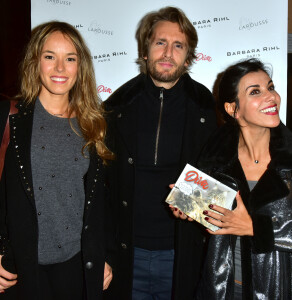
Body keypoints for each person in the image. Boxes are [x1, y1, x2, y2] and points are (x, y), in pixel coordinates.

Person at [103, 6, 217, 300]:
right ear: (145, 50)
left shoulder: (209, 109)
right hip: (126, 254)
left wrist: (197, 206)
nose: (168, 53)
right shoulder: (115, 108)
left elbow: (224, 176)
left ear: (189, 55)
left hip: (184, 255)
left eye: (178, 45)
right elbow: (97, 186)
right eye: (160, 43)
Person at [0, 21, 115, 300]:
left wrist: (103, 255)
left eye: (70, 59)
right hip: (20, 269)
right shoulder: (10, 118)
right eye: (50, 56)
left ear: (81, 66)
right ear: (35, 62)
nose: (60, 68)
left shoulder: (95, 125)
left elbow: (101, 204)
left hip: (75, 268)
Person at [174, 58, 292, 299]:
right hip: (224, 288)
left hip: (280, 290)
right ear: (233, 109)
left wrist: (255, 228)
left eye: (270, 87)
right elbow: (219, 225)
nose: (271, 97)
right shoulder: (215, 158)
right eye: (256, 91)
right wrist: (192, 210)